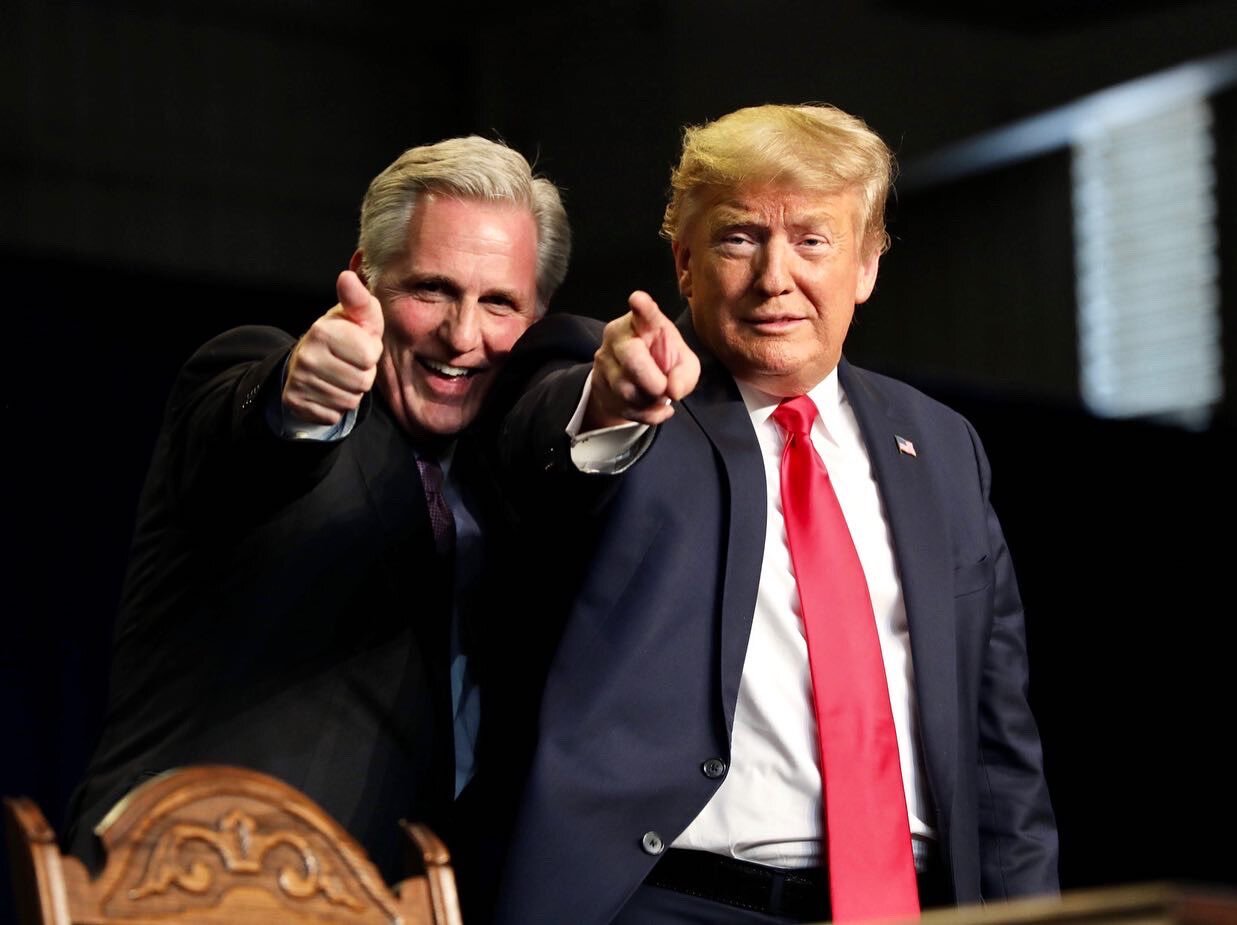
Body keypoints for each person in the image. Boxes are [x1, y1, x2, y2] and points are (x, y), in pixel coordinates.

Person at [483, 104, 1057, 924]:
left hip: (915, 905)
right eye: (739, 238)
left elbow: (1000, 751)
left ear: (865, 265)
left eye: (812, 241)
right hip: (674, 901)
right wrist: (607, 403)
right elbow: (537, 446)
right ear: (684, 262)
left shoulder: (939, 445)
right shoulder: (624, 386)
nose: (773, 277)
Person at [63, 135, 570, 881]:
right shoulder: (256, 383)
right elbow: (245, 437)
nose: (462, 337)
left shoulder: (505, 471)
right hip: (192, 886)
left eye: (498, 302)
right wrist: (296, 400)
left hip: (405, 890)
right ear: (363, 276)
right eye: (429, 289)